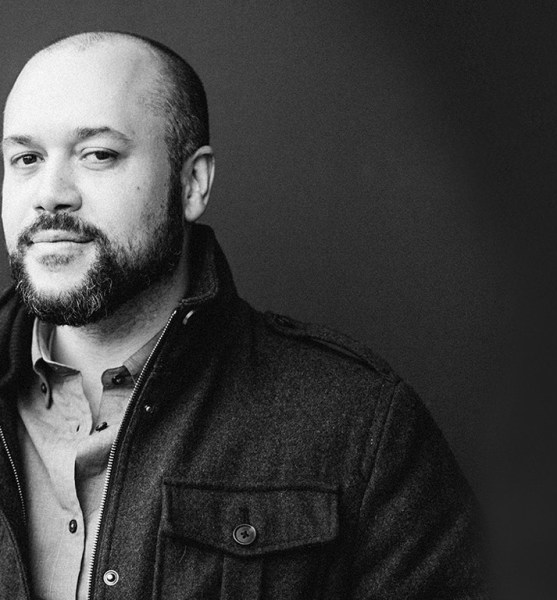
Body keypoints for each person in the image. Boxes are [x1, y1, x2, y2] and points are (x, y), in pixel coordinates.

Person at [0, 31, 484, 600]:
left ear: (193, 183)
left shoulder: (360, 426)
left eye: (98, 154)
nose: (50, 194)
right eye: (26, 159)